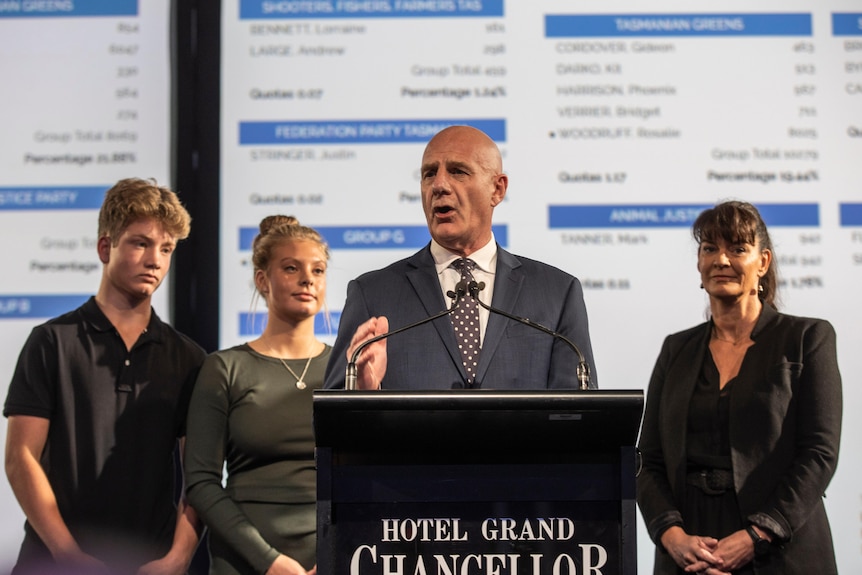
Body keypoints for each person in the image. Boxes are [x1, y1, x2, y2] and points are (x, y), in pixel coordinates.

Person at [3, 178, 206, 575]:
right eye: (140, 243)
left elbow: (200, 472)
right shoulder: (51, 342)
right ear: (104, 247)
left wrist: (179, 558)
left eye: (166, 249)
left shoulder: (189, 357)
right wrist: (68, 555)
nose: (155, 260)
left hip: (149, 562)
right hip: (51, 562)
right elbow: (20, 458)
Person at [637, 200, 842, 575]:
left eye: (737, 248)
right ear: (699, 265)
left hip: (780, 550)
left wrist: (758, 534)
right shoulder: (675, 349)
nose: (721, 260)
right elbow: (646, 460)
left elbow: (820, 453)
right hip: (689, 553)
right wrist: (672, 536)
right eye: (709, 248)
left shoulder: (807, 338)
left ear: (762, 262)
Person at [324, 124, 597, 390]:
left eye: (458, 171)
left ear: (497, 189)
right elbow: (330, 425)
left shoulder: (557, 292)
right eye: (429, 174)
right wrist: (363, 393)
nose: (439, 185)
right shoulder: (372, 294)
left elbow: (581, 417)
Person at [184, 216, 329, 575]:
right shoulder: (224, 368)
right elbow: (201, 482)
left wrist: (331, 559)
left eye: (318, 270)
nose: (307, 279)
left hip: (331, 556)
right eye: (291, 268)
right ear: (262, 280)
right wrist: (270, 562)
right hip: (244, 558)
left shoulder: (344, 369)